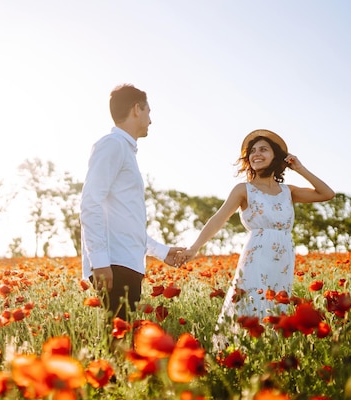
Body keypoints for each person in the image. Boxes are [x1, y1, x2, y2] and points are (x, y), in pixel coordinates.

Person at [175, 129, 335, 349]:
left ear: (277, 157)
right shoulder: (244, 190)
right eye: (252, 151)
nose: (256, 154)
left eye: (263, 149)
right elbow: (218, 219)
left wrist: (299, 168)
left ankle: (269, 358)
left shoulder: (288, 191)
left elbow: (327, 193)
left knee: (275, 310)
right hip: (256, 256)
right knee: (250, 306)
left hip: (282, 259)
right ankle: (236, 356)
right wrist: (194, 248)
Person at [80, 84, 183, 321]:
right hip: (114, 266)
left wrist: (162, 251)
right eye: (149, 111)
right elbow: (90, 203)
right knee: (116, 344)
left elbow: (126, 223)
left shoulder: (124, 150)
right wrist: (100, 262)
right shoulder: (112, 145)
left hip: (125, 262)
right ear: (137, 109)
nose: (150, 120)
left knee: (121, 343)